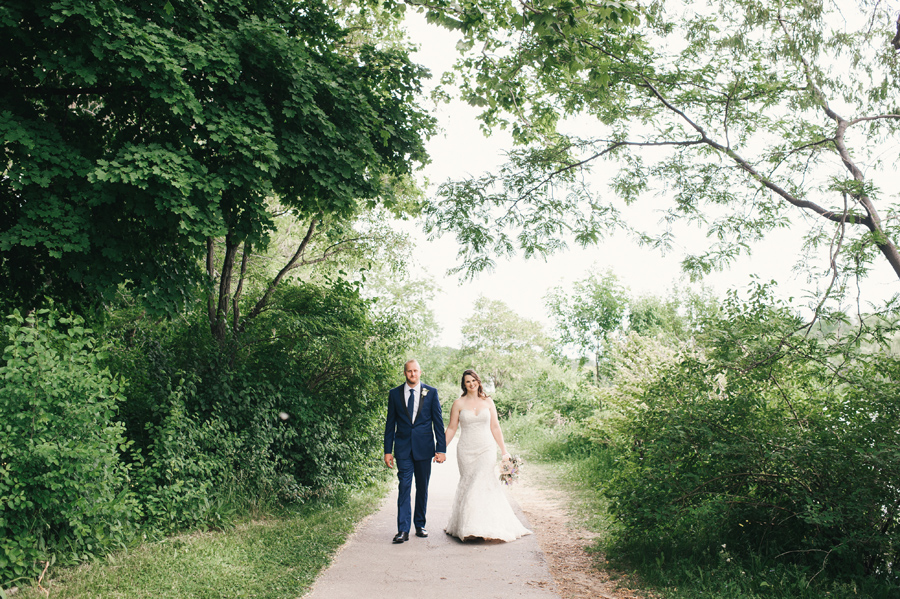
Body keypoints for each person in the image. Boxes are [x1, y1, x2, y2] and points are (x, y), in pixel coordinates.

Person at [443, 369, 532, 542]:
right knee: (469, 483)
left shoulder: (488, 401)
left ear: (478, 381)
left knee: (481, 482)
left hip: (486, 448)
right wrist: (441, 449)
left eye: (474, 380)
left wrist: (504, 451)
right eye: (467, 381)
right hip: (466, 450)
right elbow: (452, 428)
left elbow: (495, 427)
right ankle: (468, 525)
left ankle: (481, 526)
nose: (471, 384)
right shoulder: (458, 404)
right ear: (464, 385)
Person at [383, 359, 446, 544]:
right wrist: (388, 451)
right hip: (402, 448)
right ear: (405, 373)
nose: (413, 374)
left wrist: (441, 449)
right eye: (409, 371)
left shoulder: (431, 393)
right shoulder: (394, 394)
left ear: (420, 372)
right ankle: (402, 529)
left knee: (422, 487)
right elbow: (390, 424)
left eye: (415, 371)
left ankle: (420, 524)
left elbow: (438, 422)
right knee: (404, 486)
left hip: (424, 448)